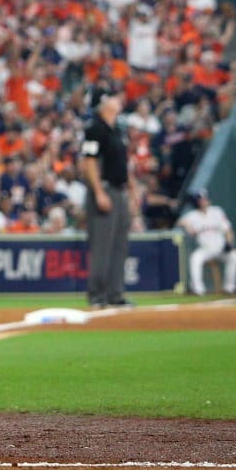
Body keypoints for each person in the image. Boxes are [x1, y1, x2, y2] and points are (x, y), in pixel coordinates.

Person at [80, 90, 132, 309]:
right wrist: (99, 192)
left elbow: (123, 165)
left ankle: (115, 294)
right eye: (112, 97)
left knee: (119, 245)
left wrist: (132, 192)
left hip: (120, 191)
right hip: (105, 189)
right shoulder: (95, 128)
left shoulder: (118, 129)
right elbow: (89, 161)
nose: (117, 99)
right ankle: (97, 295)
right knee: (102, 245)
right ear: (103, 103)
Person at [177, 189, 236, 296]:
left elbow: (228, 230)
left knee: (235, 255)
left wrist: (230, 242)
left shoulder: (217, 211)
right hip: (206, 250)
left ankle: (229, 288)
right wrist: (188, 225)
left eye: (205, 199)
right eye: (201, 199)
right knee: (195, 258)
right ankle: (198, 289)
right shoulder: (192, 215)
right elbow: (179, 222)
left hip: (221, 248)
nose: (203, 201)